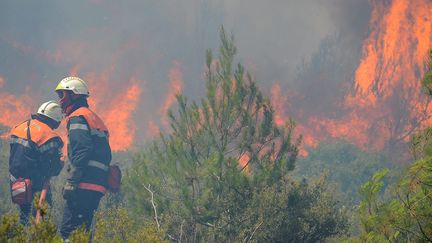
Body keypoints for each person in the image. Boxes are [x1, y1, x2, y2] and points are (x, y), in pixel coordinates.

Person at [56, 77, 112, 239]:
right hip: (98, 184)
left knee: (68, 229)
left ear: (74, 95)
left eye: (62, 95)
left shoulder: (78, 117)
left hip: (83, 183)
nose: (60, 100)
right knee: (82, 230)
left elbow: (81, 151)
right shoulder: (94, 118)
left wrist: (72, 181)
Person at [9, 100, 64, 225]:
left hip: (17, 184)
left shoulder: (19, 127)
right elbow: (51, 168)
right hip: (37, 187)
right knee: (42, 220)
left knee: (23, 218)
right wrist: (60, 164)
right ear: (55, 120)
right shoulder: (49, 136)